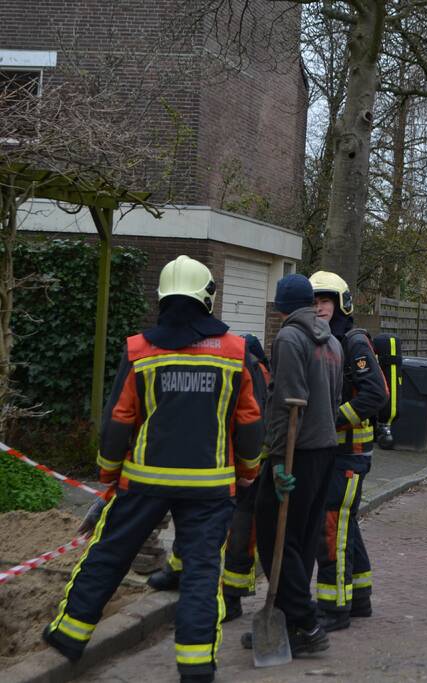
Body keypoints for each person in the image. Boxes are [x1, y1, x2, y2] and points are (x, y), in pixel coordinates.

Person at [44, 256, 264, 683]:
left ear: (162, 297)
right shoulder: (236, 352)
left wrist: (109, 475)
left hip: (145, 480)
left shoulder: (139, 349)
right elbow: (249, 421)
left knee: (108, 555)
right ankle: (197, 666)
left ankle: (70, 635)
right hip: (210, 485)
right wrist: (247, 471)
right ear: (208, 298)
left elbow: (119, 419)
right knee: (202, 574)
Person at [245, 273, 344, 655]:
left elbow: (288, 401)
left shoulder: (289, 338)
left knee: (273, 538)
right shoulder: (332, 341)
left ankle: (305, 622)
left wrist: (278, 460)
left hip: (294, 453)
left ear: (281, 307)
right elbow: (332, 400)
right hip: (325, 450)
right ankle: (290, 626)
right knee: (300, 541)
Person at [143, 335, 272, 623]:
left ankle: (231, 597)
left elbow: (252, 421)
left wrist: (245, 468)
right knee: (192, 518)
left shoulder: (250, 370)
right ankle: (178, 570)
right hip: (215, 462)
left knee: (237, 532)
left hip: (242, 468)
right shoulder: (230, 364)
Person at [309, 271, 388, 633]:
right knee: (345, 527)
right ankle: (359, 598)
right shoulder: (321, 340)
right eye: (313, 301)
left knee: (332, 528)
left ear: (341, 303)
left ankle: (333, 607)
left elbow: (375, 395)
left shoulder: (353, 342)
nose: (319, 307)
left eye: (325, 300)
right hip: (333, 452)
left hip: (349, 454)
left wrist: (332, 420)